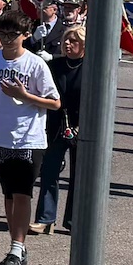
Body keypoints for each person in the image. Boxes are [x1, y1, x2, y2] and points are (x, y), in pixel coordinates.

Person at [0, 10, 59, 265]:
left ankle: (16, 249)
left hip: (29, 139)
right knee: (8, 195)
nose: (7, 39)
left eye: (13, 35)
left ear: (26, 35)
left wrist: (24, 95)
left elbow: (54, 102)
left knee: (22, 193)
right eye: (3, 34)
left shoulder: (35, 64)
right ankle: (16, 245)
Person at [37, 25, 84, 233]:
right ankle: (45, 219)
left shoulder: (91, 67)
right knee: (49, 172)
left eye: (73, 41)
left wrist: (82, 125)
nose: (67, 44)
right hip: (56, 126)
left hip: (82, 127)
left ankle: (74, 220)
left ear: (84, 45)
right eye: (66, 40)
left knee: (79, 175)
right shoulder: (54, 65)